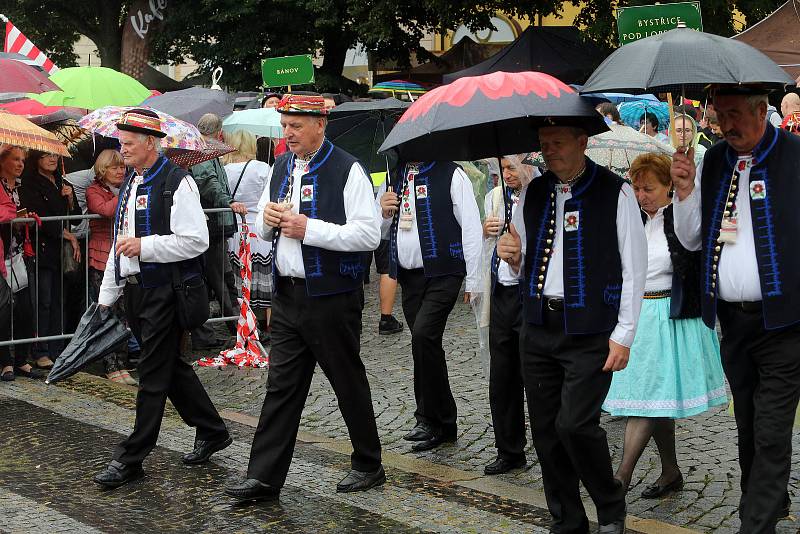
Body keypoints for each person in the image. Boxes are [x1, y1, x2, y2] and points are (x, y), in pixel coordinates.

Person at [225, 94, 384, 502]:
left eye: (296, 126)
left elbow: (368, 235)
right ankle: (263, 476)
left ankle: (369, 463)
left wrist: (309, 229)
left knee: (346, 380)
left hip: (333, 295)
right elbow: (261, 228)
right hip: (290, 295)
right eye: (285, 126)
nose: (288, 133)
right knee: (281, 387)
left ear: (320, 125)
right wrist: (268, 220)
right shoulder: (280, 166)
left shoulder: (348, 169)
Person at [497, 123, 647, 534]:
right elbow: (520, 263)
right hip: (538, 325)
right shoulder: (533, 192)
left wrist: (624, 334)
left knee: (575, 425)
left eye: (558, 144)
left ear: (582, 143)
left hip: (590, 329)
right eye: (544, 146)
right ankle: (567, 518)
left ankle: (610, 503)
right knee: (545, 432)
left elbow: (635, 267)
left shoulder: (614, 191)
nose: (549, 152)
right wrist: (508, 256)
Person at [671, 86, 800, 531]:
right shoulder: (714, 161)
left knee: (771, 429)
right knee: (747, 422)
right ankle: (768, 500)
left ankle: (755, 523)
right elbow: (691, 240)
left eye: (733, 114)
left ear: (762, 111)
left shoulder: (795, 155)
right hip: (733, 322)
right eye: (718, 114)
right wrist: (685, 191)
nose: (724, 124)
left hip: (786, 323)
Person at [93, 109, 231, 489]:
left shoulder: (177, 181)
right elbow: (121, 247)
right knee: (169, 367)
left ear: (151, 142)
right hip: (138, 292)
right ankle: (212, 429)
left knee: (152, 375)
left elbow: (196, 240)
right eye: (120, 143)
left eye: (129, 144)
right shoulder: (132, 183)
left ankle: (131, 457)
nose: (122, 152)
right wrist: (108, 296)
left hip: (167, 293)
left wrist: (145, 246)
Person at [602, 153, 727, 498]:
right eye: (637, 188)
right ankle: (670, 471)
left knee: (650, 399)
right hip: (637, 318)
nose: (641, 195)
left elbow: (696, 257)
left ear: (669, 185)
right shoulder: (632, 221)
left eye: (649, 188)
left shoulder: (681, 219)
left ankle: (620, 482)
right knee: (654, 401)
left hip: (670, 316)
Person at [379, 157, 482, 453]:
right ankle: (439, 421)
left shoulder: (451, 173)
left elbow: (471, 226)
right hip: (410, 277)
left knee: (424, 336)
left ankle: (431, 419)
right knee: (424, 344)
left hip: (444, 272)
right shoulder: (396, 175)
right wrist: (384, 212)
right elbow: (381, 231)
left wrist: (473, 279)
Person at [481, 154, 537, 475]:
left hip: (528, 292)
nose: (506, 174)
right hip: (501, 290)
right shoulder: (494, 196)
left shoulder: (539, 194)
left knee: (533, 373)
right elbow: (487, 243)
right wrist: (486, 231)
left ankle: (548, 446)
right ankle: (509, 449)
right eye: (501, 169)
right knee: (501, 375)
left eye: (511, 168)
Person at [19, 150, 81, 369]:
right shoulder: (29, 183)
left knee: (59, 301)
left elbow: (75, 216)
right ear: (37, 159)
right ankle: (40, 349)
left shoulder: (61, 181)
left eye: (55, 155)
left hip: (59, 252)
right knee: (43, 300)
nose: (52, 159)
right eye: (46, 155)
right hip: (42, 248)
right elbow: (38, 216)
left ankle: (57, 348)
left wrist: (70, 198)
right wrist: (66, 235)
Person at [191, 113, 248, 348]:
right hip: (212, 224)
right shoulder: (203, 151)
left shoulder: (208, 149)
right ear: (219, 130)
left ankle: (237, 326)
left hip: (216, 223)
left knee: (222, 276)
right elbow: (209, 183)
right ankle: (233, 328)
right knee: (218, 278)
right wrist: (229, 201)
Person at [86, 149, 135, 385]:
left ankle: (123, 364)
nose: (120, 171)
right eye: (115, 167)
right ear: (103, 170)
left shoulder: (127, 188)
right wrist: (126, 191)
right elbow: (105, 210)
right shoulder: (94, 190)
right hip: (101, 255)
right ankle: (110, 364)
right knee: (106, 312)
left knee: (124, 314)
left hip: (123, 255)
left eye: (122, 167)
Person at [221, 129, 273, 336]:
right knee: (266, 280)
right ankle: (271, 326)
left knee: (239, 280)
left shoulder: (224, 169)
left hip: (234, 231)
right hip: (258, 229)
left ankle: (247, 324)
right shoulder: (262, 167)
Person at [0, 146, 41, 381]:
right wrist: (12, 217)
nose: (20, 164)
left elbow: (21, 212)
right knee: (4, 310)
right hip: (2, 256)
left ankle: (21, 360)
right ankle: (5, 362)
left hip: (18, 253)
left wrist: (26, 217)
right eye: (15, 159)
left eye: (23, 160)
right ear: (3, 161)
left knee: (25, 308)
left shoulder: (21, 187)